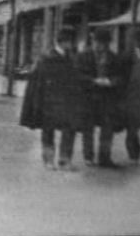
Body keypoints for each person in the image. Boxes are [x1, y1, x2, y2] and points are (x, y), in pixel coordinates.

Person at [20, 26, 90, 171]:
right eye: (71, 42)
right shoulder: (46, 59)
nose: (72, 45)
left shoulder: (71, 58)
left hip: (68, 102)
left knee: (69, 130)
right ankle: (49, 160)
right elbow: (37, 82)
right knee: (48, 131)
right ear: (64, 42)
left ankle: (65, 161)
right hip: (50, 103)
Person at [77, 28, 129, 167]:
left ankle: (104, 157)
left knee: (108, 129)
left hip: (107, 98)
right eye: (97, 42)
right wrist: (93, 81)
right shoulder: (83, 56)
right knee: (87, 129)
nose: (99, 46)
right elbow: (78, 76)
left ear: (107, 43)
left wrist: (111, 82)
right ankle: (88, 157)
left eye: (102, 43)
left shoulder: (114, 57)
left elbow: (121, 77)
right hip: (88, 97)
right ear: (92, 41)